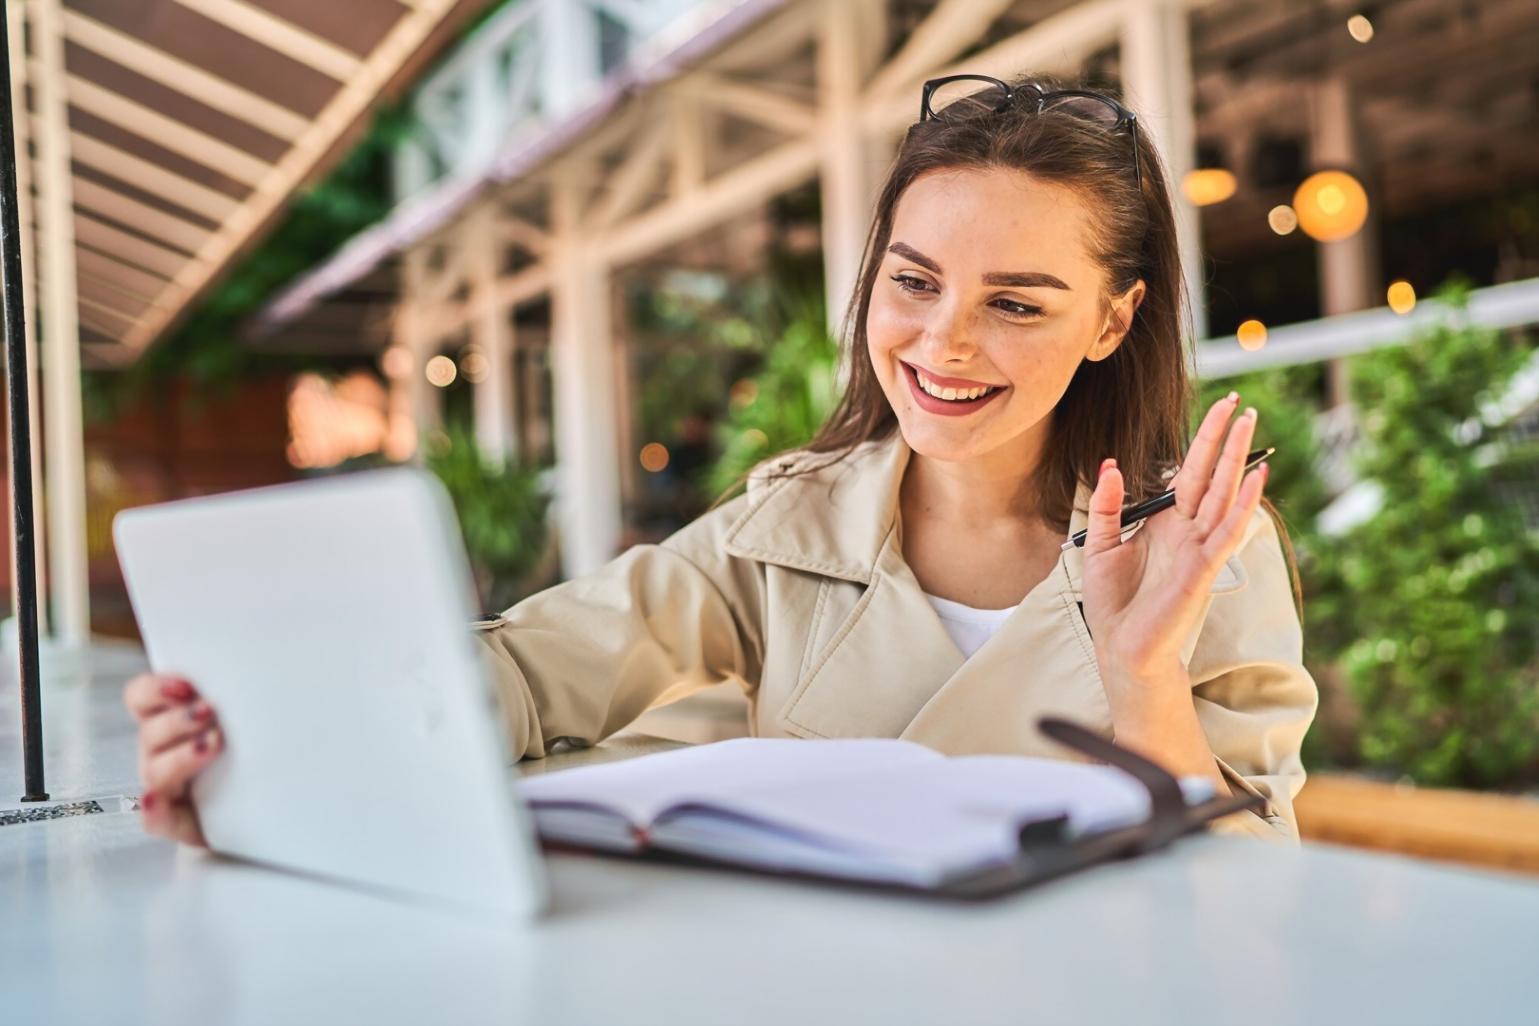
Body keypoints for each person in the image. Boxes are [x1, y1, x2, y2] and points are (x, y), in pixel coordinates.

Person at [123, 74, 1317, 848]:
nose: (943, 343)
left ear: (1112, 322)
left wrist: (1143, 671)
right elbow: (531, 678)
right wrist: (274, 746)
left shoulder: (1198, 550)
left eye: (1017, 303)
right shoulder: (790, 529)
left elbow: (1251, 889)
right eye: (913, 282)